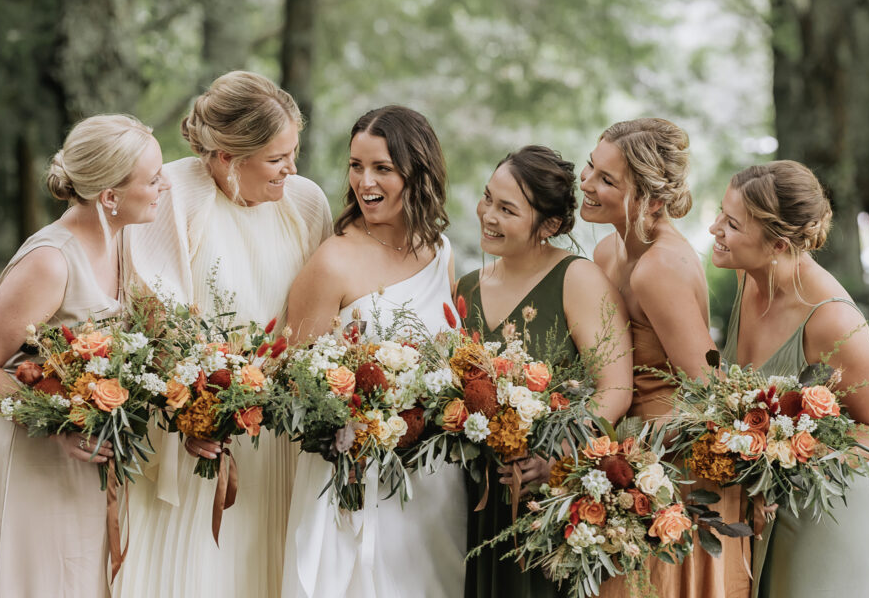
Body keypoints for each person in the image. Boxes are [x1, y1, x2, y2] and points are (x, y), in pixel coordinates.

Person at [114, 71, 332, 598]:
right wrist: (201, 409)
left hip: (279, 436)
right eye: (278, 158)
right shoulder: (173, 193)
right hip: (197, 434)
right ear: (228, 156)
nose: (292, 168)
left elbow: (326, 317)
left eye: (294, 152)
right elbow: (155, 317)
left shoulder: (305, 202)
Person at [0, 114, 168, 597]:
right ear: (109, 197)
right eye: (154, 179)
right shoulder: (50, 262)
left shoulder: (121, 240)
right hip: (38, 460)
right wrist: (57, 426)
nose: (165, 188)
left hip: (91, 463)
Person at [281, 105, 467, 598]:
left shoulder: (440, 251)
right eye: (356, 165)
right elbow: (293, 377)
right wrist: (355, 423)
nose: (365, 181)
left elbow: (451, 356)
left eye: (382, 168)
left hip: (432, 478)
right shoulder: (333, 261)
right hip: (355, 477)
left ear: (417, 172)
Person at [578, 118, 750, 597]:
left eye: (607, 180)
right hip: (622, 458)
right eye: (591, 167)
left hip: (674, 472)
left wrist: (644, 466)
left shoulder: (659, 269)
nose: (587, 184)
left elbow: (709, 394)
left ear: (650, 199)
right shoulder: (607, 251)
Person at [710, 160, 869, 598]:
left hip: (826, 512)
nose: (715, 227)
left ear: (777, 244)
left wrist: (795, 471)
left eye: (732, 223)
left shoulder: (830, 318)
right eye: (721, 212)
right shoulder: (745, 277)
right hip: (762, 506)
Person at [455, 145, 633, 598]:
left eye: (507, 209)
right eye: (487, 198)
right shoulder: (467, 286)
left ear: (549, 225)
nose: (488, 215)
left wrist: (556, 457)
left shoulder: (579, 279)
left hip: (547, 495)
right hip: (475, 497)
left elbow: (616, 387)